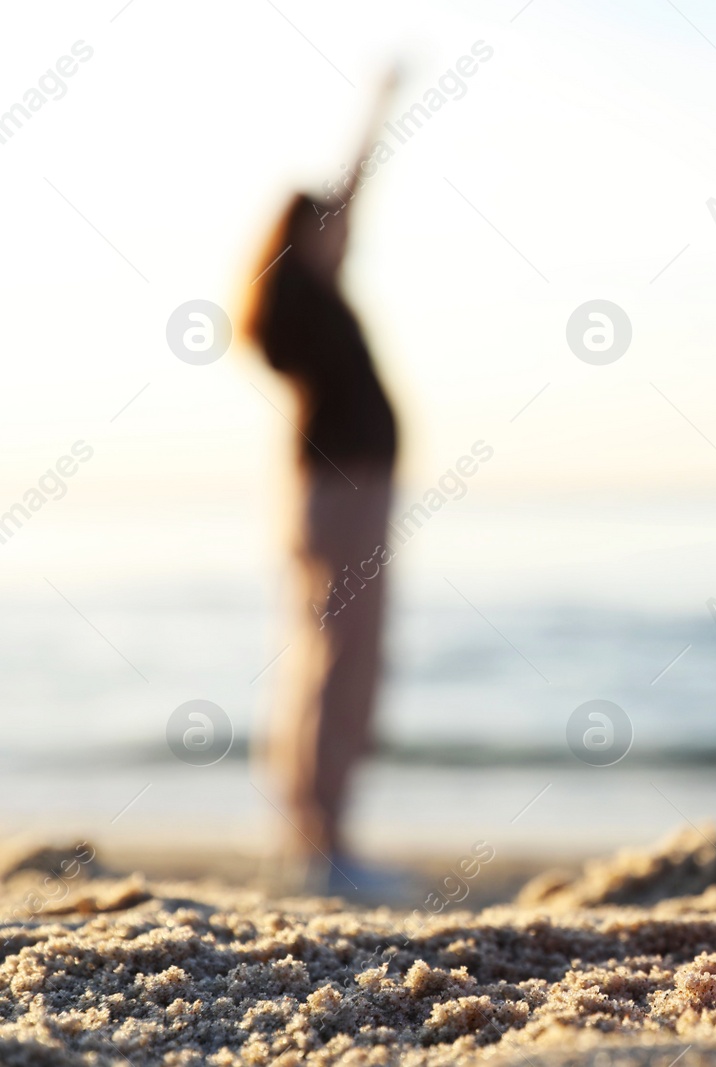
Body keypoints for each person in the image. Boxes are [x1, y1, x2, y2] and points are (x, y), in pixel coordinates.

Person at [241, 78, 402, 896]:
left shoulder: (310, 294)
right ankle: (325, 843)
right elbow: (347, 197)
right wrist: (377, 112)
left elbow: (351, 196)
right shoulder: (299, 302)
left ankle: (315, 835)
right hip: (343, 499)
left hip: (337, 499)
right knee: (343, 660)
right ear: (302, 237)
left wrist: (378, 115)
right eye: (329, 227)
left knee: (329, 657)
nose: (345, 235)